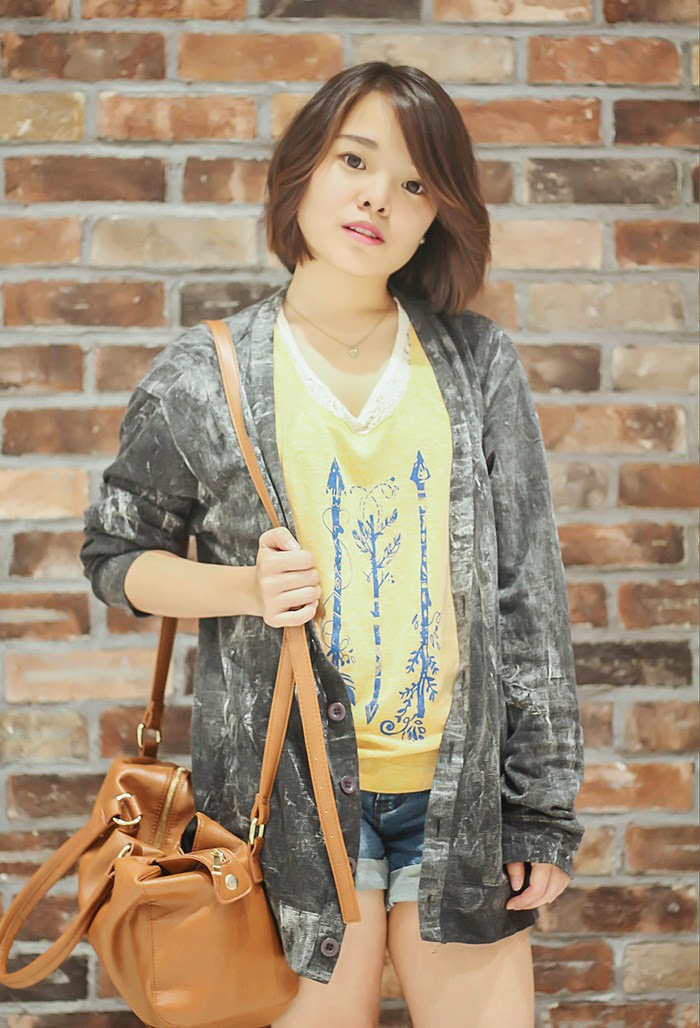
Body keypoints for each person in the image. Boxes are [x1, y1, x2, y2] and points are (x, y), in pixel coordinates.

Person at [81, 61, 585, 1028]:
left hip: (460, 797)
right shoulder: (206, 372)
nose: (377, 197)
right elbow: (115, 556)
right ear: (303, 169)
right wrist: (243, 590)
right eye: (355, 161)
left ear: (437, 217)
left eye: (414, 183)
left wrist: (542, 811)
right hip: (290, 807)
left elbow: (528, 594)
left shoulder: (477, 362)